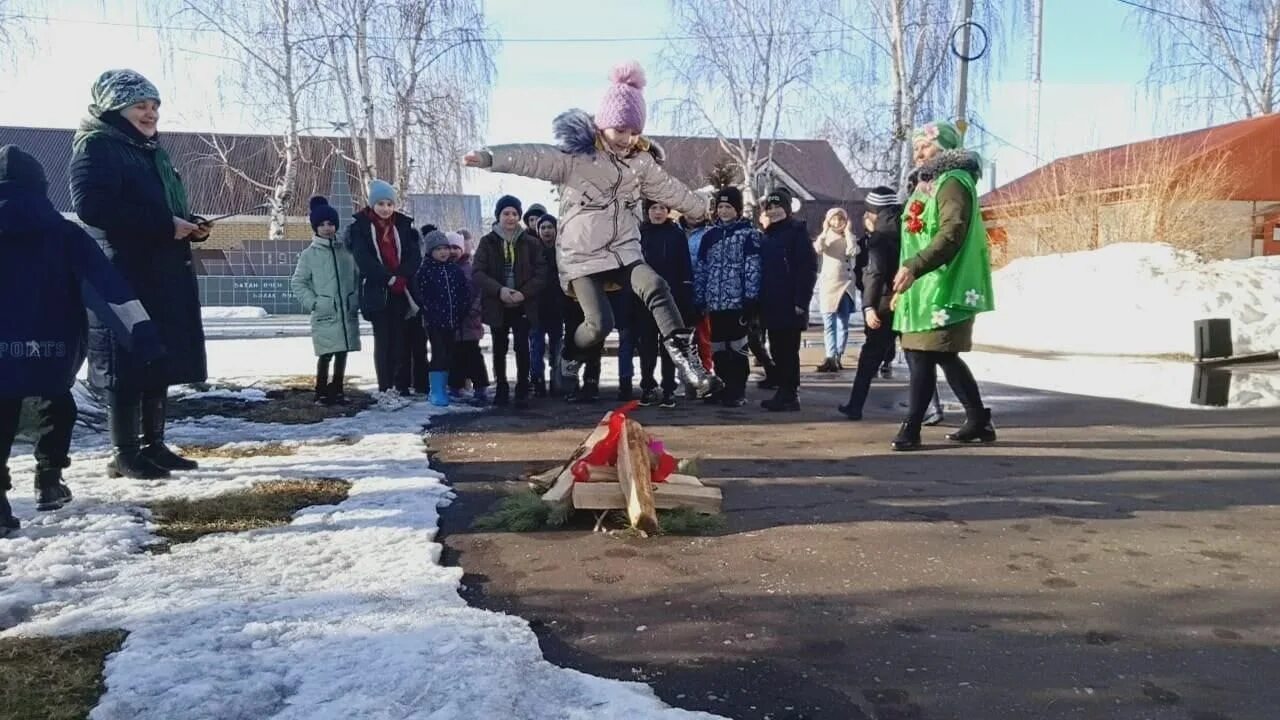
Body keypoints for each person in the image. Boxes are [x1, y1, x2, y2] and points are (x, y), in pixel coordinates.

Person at [463, 61, 719, 398]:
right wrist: (489, 157)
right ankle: (570, 356)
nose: (627, 139)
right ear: (603, 126)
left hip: (623, 250)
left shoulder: (640, 163)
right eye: (620, 131)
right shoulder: (576, 158)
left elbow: (671, 190)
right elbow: (533, 157)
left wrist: (703, 208)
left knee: (655, 285)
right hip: (581, 255)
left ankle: (689, 366)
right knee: (600, 324)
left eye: (633, 132)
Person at [1, 145, 165, 535]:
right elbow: (107, 288)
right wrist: (142, 337)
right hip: (53, 348)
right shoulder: (65, 233)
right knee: (55, 407)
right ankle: (49, 480)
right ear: (41, 186)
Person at [69, 69, 209, 480]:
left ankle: (154, 444)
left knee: (155, 358)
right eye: (140, 106)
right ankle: (124, 452)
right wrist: (166, 224)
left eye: (154, 107)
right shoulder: (97, 147)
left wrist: (188, 224)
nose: (150, 114)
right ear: (115, 108)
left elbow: (157, 209)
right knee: (126, 361)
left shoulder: (149, 151)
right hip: (122, 272)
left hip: (160, 271)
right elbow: (92, 208)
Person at [890, 121, 997, 451]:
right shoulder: (928, 184)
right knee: (942, 355)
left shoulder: (953, 181)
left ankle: (911, 428)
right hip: (924, 287)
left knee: (923, 353)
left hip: (943, 285)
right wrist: (904, 283)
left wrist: (915, 267)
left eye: (926, 146)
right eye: (916, 148)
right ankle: (978, 419)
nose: (919, 153)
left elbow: (951, 233)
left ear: (946, 149)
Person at [347, 179, 422, 397]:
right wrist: (388, 279)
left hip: (401, 291)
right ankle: (385, 388)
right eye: (381, 204)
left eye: (389, 204)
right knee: (384, 341)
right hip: (377, 291)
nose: (386, 209)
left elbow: (414, 256)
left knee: (400, 341)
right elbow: (364, 259)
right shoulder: (360, 228)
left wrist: (401, 277)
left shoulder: (404, 225)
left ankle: (400, 386)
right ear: (372, 204)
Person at [472, 195, 547, 409]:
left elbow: (542, 273)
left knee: (523, 346)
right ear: (499, 216)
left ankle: (523, 387)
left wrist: (524, 293)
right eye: (506, 213)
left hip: (523, 303)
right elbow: (478, 272)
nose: (511, 217)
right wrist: (500, 290)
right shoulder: (487, 242)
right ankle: (502, 387)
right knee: (499, 347)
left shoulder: (531, 242)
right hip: (498, 303)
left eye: (514, 213)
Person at [693, 186, 762, 407]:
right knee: (718, 346)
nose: (724, 211)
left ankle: (738, 388)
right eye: (720, 207)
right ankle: (722, 385)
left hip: (737, 300)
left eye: (728, 207)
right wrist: (700, 297)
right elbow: (702, 269)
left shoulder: (748, 234)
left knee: (737, 346)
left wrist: (751, 298)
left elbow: (753, 267)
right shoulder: (709, 236)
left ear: (737, 209)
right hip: (715, 300)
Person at [839, 188, 903, 420]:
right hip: (907, 302)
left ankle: (855, 406)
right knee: (918, 360)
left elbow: (875, 273)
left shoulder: (879, 238)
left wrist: (868, 306)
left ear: (874, 213)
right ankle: (933, 409)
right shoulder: (908, 231)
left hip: (884, 304)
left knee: (869, 359)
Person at [292, 196, 361, 406]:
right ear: (315, 228)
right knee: (326, 354)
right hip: (325, 312)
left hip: (345, 311)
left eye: (330, 224)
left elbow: (357, 277)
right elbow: (298, 282)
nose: (327, 228)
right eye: (321, 224)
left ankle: (338, 390)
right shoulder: (309, 255)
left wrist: (355, 298)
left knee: (342, 352)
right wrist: (314, 302)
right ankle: (321, 391)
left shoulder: (346, 251)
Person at [757, 187, 818, 412]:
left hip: (790, 303)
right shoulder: (768, 234)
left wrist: (801, 301)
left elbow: (807, 269)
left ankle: (790, 393)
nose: (773, 211)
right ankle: (783, 389)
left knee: (788, 351)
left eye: (778, 206)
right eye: (769, 207)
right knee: (776, 349)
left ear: (787, 208)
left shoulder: (796, 232)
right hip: (771, 302)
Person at [637, 200, 694, 408]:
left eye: (662, 208)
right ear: (648, 211)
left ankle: (669, 388)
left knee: (670, 344)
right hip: (644, 298)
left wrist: (686, 295)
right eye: (653, 208)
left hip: (671, 298)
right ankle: (648, 386)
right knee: (647, 345)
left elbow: (685, 265)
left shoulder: (676, 234)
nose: (658, 212)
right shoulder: (639, 234)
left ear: (668, 211)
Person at [412, 230, 471, 408]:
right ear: (430, 251)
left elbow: (464, 292)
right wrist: (429, 309)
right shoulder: (425, 270)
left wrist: (463, 308)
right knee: (439, 353)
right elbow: (419, 294)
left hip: (453, 320)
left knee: (449, 353)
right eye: (438, 249)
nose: (443, 252)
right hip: (434, 321)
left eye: (445, 248)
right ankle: (436, 390)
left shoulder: (454, 269)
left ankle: (446, 386)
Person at [449, 230, 491, 405]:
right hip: (454, 322)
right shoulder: (447, 268)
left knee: (473, 355)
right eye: (448, 247)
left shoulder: (470, 268)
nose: (452, 251)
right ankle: (456, 386)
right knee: (456, 356)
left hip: (469, 321)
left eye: (455, 248)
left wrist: (473, 311)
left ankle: (480, 387)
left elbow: (478, 293)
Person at [814, 207, 857, 373]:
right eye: (834, 219)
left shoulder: (849, 237)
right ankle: (830, 357)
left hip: (845, 286)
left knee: (843, 324)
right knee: (829, 324)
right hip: (828, 285)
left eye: (841, 219)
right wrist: (824, 231)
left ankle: (838, 355)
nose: (837, 222)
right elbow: (818, 248)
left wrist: (848, 232)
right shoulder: (825, 237)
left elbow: (852, 251)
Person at [529, 214, 564, 398]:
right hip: (537, 307)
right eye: (543, 228)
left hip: (557, 307)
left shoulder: (562, 251)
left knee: (557, 345)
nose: (547, 231)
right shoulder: (533, 251)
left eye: (550, 227)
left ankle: (557, 380)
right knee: (536, 346)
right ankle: (537, 381)